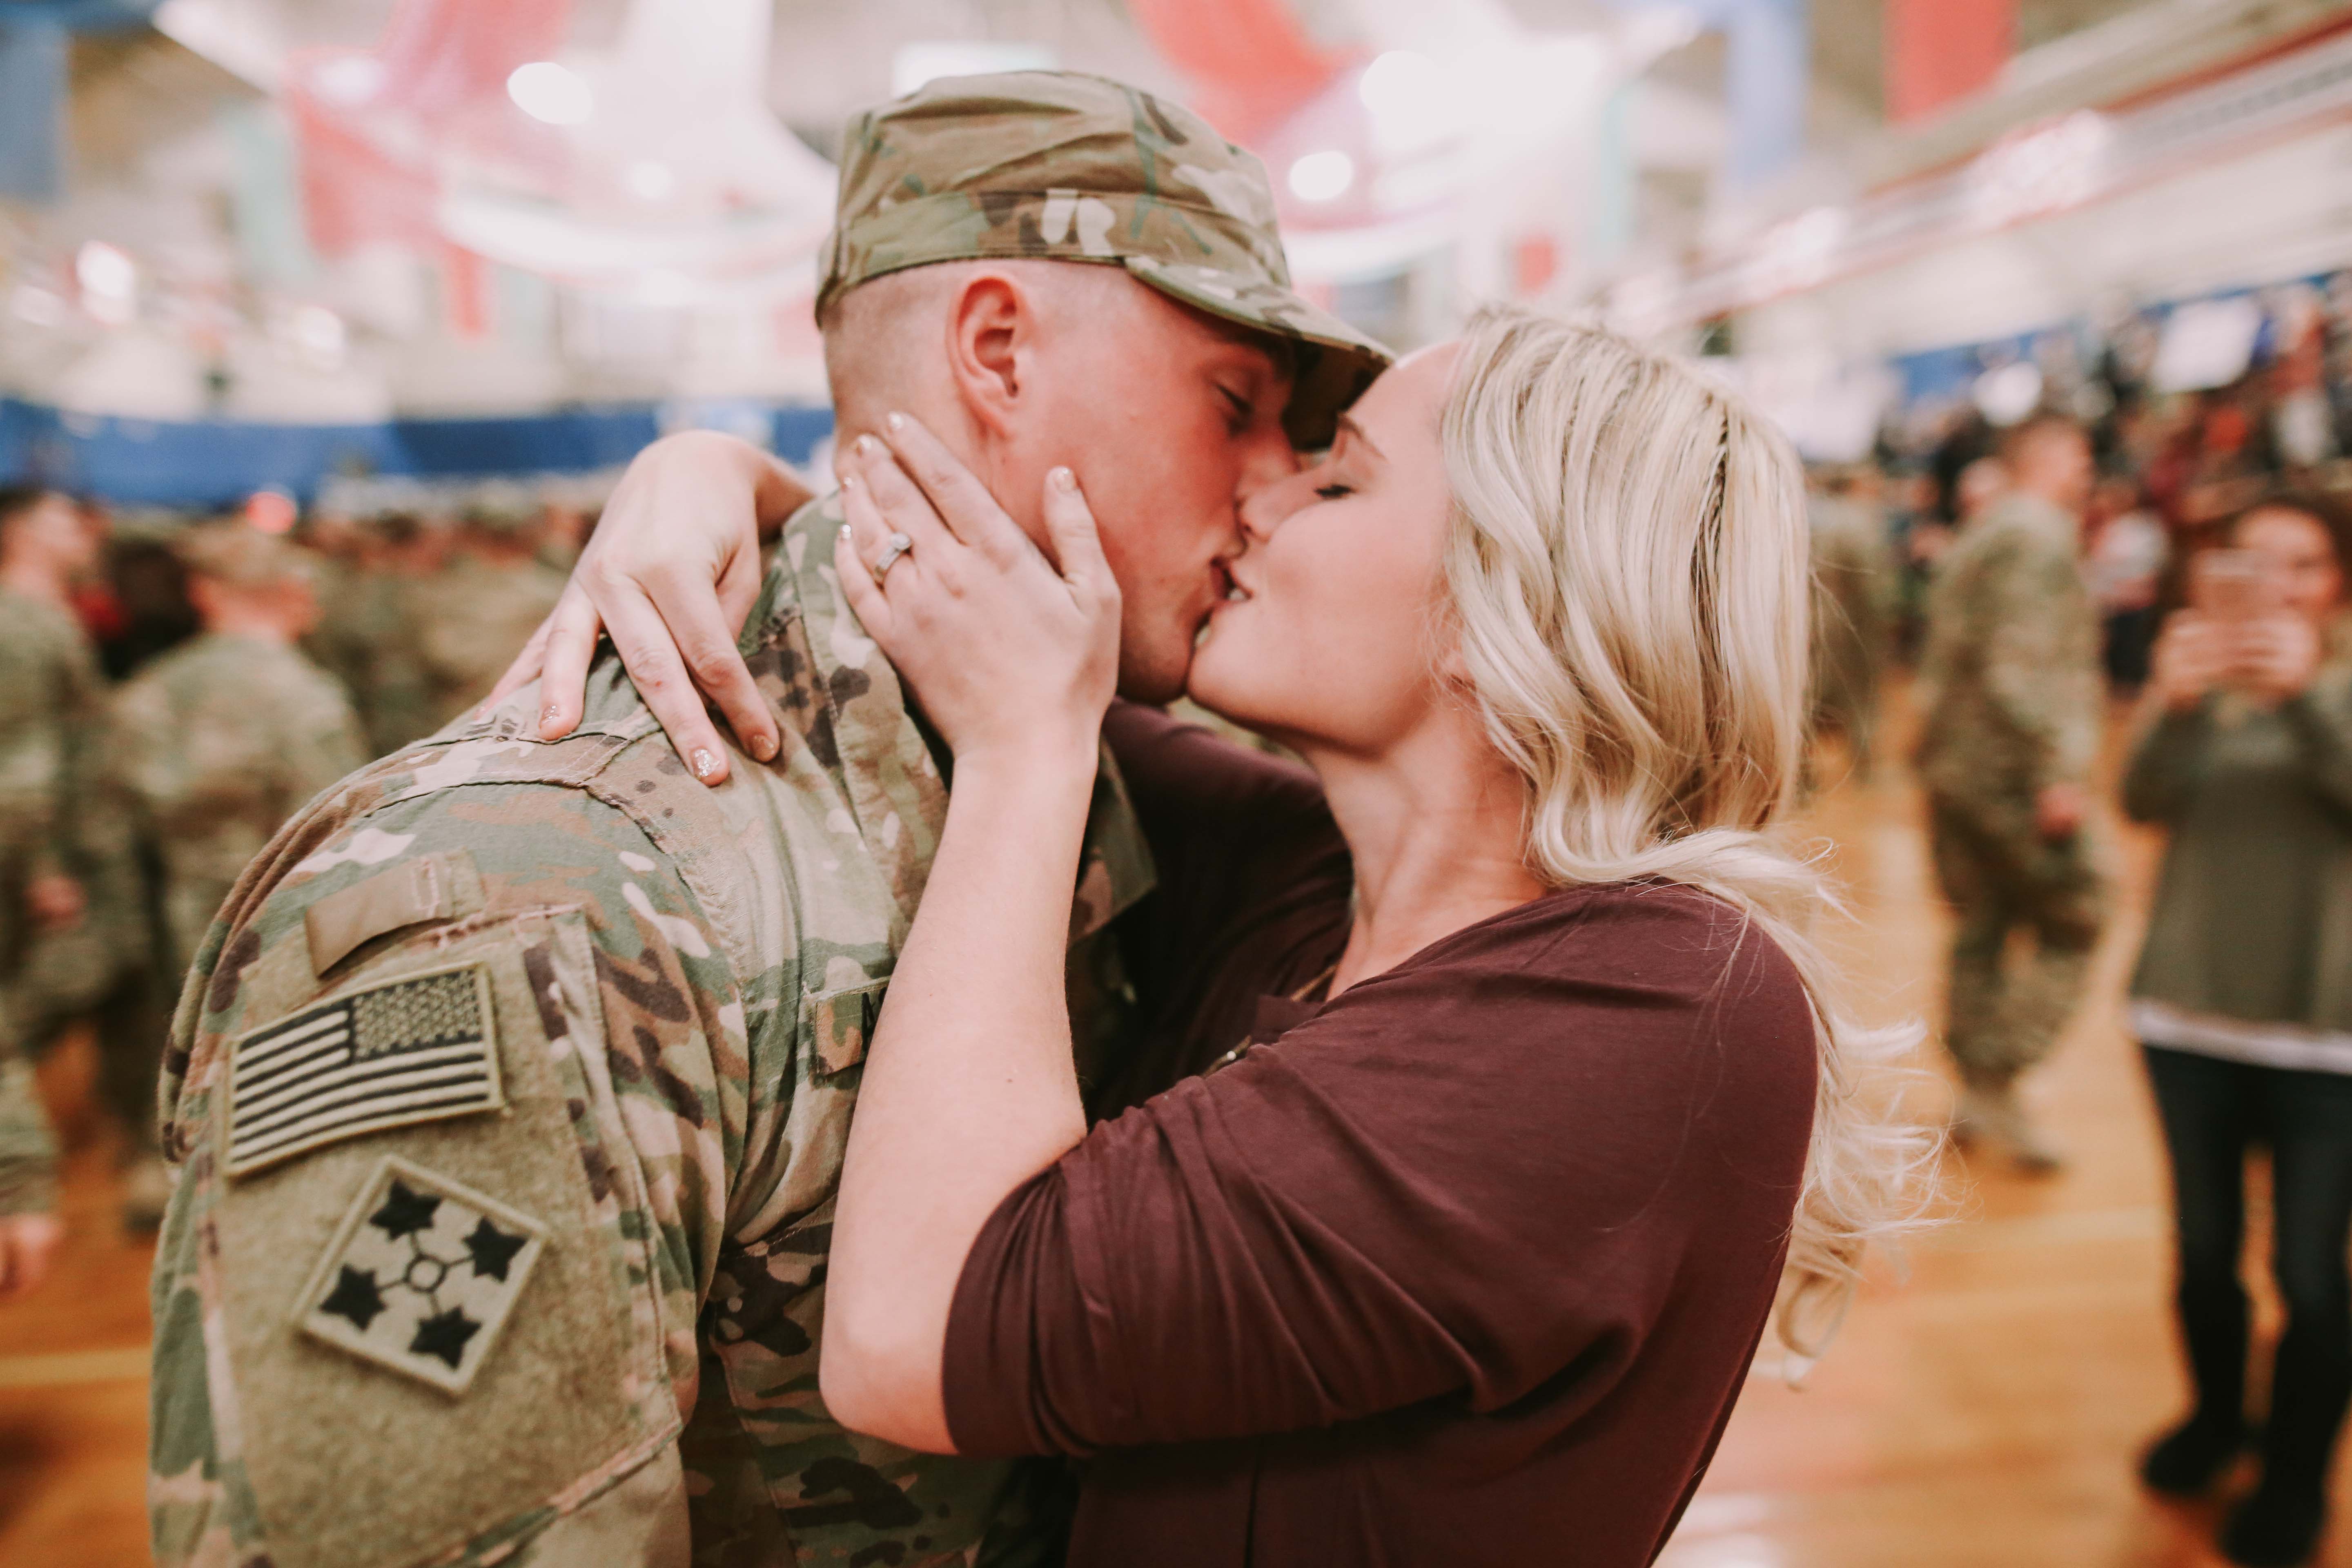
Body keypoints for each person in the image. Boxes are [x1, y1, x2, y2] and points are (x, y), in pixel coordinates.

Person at [147, 71, 1388, 1568]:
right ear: (995, 350)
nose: (1270, 489)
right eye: (1233, 404)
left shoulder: (1061, 783)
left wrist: (731, 475)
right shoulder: (529, 902)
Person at [528, 310, 1924, 1566]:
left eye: (1341, 474)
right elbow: (970, 611)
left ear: (1512, 591)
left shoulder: (1667, 1007)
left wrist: (1030, 751)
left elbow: (907, 1338)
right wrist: (713, 476)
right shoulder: (1321, 885)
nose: (1263, 498)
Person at [2125, 493, 2352, 1567]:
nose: (2278, 585)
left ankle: (2298, 1477)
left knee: (2312, 1274)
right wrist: (2167, 708)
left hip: (2328, 1036)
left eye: (2302, 565)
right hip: (2186, 1016)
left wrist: (2307, 694)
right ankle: (2218, 1422)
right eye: (2253, 564)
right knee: (2203, 1254)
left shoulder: (2339, 683)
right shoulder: (2203, 689)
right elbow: (2139, 799)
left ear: (2338, 579)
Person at [1914, 412, 2107, 1171]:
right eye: (2081, 454)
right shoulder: (2035, 535)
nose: (2088, 470)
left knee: (1985, 921)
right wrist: (2057, 768)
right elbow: (2018, 667)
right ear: (2047, 455)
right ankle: (1998, 1069)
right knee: (2083, 913)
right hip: (2010, 772)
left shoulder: (1986, 532)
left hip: (1960, 765)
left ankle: (1974, 1086)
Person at [111, 527, 369, 977]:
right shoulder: (305, 697)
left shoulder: (150, 690)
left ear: (203, 593)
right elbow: (336, 833)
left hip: (183, 925)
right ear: (296, 591)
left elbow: (120, 823)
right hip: (284, 931)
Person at [0, 485, 89, 1297]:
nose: (81, 534)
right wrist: (47, 864)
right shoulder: (19, 623)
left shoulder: (45, 614)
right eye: (61, 520)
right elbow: (23, 761)